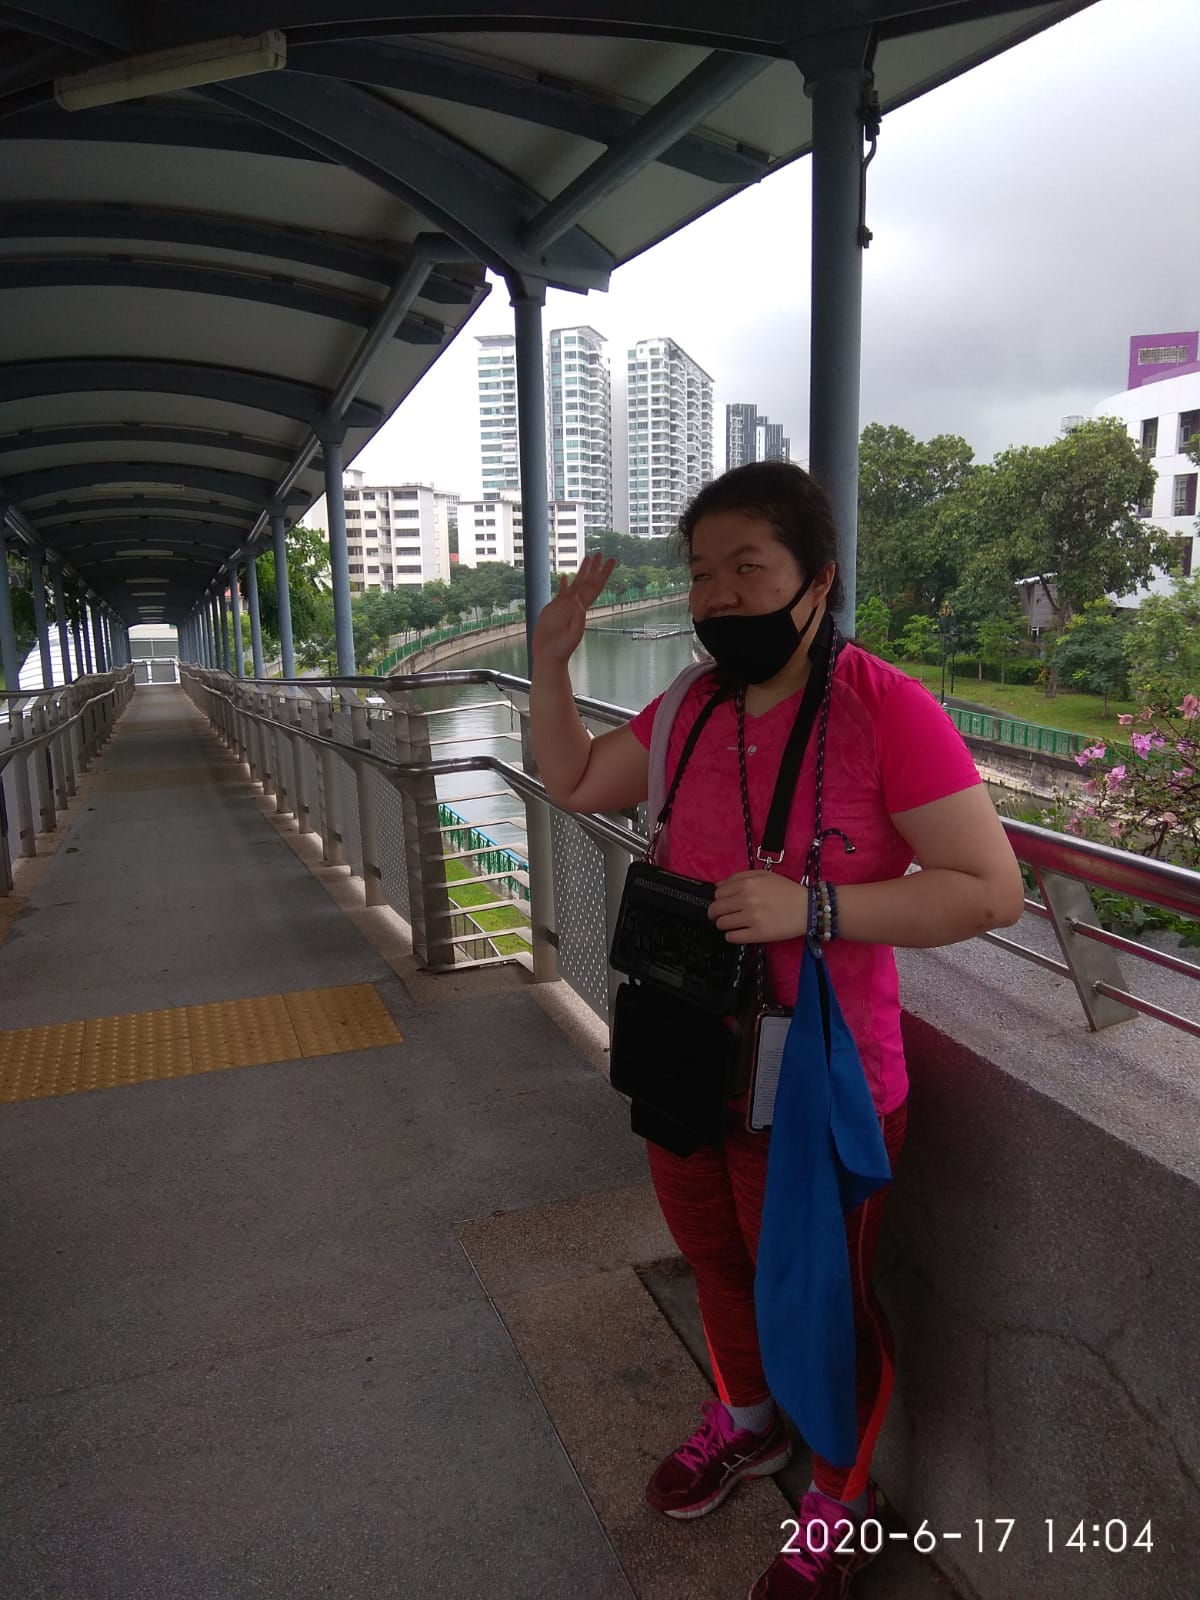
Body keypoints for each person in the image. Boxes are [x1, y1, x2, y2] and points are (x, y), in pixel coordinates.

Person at [530, 461, 1024, 1600]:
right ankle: (747, 1419)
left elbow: (989, 888)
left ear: (819, 578)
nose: (718, 598)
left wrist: (818, 908)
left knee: (817, 1293)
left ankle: (835, 1499)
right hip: (689, 1048)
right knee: (714, 1254)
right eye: (703, 574)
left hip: (818, 1078)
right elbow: (573, 776)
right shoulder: (691, 707)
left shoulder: (882, 708)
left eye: (749, 567)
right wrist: (552, 663)